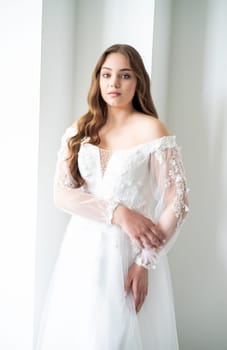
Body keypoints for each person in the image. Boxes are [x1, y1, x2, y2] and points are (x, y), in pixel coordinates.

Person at [36, 44, 189, 350]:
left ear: (138, 82)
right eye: (107, 75)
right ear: (98, 79)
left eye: (124, 75)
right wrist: (118, 212)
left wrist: (145, 262)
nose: (114, 84)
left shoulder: (152, 130)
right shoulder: (80, 130)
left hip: (130, 256)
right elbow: (62, 195)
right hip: (80, 254)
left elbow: (177, 200)